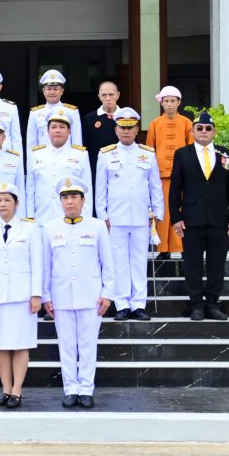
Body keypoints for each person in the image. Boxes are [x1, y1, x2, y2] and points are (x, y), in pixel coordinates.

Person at [42, 177, 115, 408]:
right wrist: (46, 295)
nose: (69, 202)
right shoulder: (50, 228)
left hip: (90, 296)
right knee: (66, 345)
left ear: (84, 200)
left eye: (74, 197)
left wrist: (108, 293)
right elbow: (46, 266)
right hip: (61, 295)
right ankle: (70, 388)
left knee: (87, 344)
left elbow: (108, 263)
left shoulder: (97, 226)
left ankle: (86, 388)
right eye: (65, 197)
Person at [169, 111, 229, 321]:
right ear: (192, 131)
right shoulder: (183, 154)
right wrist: (175, 217)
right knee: (193, 264)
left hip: (219, 219)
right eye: (199, 128)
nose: (204, 132)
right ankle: (197, 305)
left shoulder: (225, 155)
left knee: (217, 263)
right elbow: (175, 188)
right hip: (191, 218)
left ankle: (212, 303)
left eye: (208, 128)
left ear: (214, 132)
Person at [0, 183, 41, 409]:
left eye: (7, 200)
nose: (2, 204)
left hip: (22, 295)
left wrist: (36, 294)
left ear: (17, 204)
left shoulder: (30, 229)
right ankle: (5, 389)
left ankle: (17, 390)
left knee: (21, 344)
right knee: (1, 345)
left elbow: (37, 262)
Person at [95, 108, 163, 321]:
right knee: (118, 262)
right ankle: (122, 303)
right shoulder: (105, 154)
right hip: (115, 217)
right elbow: (100, 188)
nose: (126, 131)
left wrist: (158, 212)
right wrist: (102, 215)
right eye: (122, 127)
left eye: (130, 127)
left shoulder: (147, 153)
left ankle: (138, 304)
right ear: (116, 130)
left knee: (139, 260)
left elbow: (155, 185)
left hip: (142, 217)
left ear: (136, 130)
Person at [146, 86, 194, 257]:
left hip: (182, 174)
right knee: (163, 211)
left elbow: (191, 149)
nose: (169, 104)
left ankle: (180, 246)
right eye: (166, 101)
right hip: (161, 175)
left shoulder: (187, 123)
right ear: (162, 103)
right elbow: (150, 150)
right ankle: (163, 249)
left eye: (173, 101)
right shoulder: (155, 124)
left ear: (179, 102)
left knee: (182, 209)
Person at [26, 108, 91, 223]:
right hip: (41, 217)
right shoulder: (36, 154)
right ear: (47, 131)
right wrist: (30, 216)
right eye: (54, 127)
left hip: (69, 218)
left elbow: (87, 190)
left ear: (69, 131)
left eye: (62, 127)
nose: (57, 130)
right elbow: (30, 189)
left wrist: (85, 218)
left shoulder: (80, 155)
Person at [26, 69, 82, 158]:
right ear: (43, 91)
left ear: (62, 91)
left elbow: (77, 141)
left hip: (66, 158)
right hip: (42, 159)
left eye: (56, 89)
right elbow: (31, 144)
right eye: (48, 89)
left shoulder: (72, 111)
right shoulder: (35, 113)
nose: (52, 92)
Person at [82, 80, 121, 180]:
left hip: (121, 169)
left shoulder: (125, 117)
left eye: (111, 94)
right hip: (97, 170)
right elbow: (85, 147)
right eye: (104, 95)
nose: (108, 98)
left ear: (117, 95)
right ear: (99, 97)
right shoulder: (90, 119)